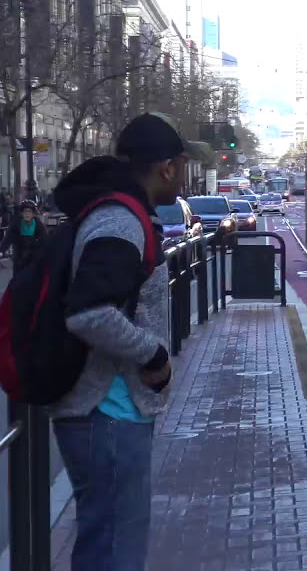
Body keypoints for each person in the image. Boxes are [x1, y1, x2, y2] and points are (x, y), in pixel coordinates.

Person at [50, 113, 212, 571]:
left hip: (110, 412)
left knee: (105, 543)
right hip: (110, 413)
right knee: (116, 550)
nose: (183, 176)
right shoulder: (120, 223)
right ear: (166, 167)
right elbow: (88, 311)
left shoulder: (121, 213)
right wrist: (153, 352)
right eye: (182, 165)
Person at [0, 200, 46, 273]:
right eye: (25, 211)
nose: (27, 214)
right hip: (19, 255)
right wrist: (1, 250)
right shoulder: (16, 224)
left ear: (34, 214)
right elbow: (8, 238)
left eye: (30, 212)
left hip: (33, 256)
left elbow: (44, 240)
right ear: (22, 213)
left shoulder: (38, 225)